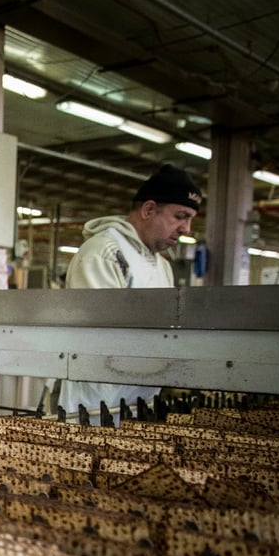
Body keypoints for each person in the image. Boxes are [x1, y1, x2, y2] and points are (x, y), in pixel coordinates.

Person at [58, 164, 202, 420]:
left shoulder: (162, 265)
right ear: (148, 209)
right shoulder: (105, 253)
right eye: (180, 216)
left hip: (139, 404)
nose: (186, 229)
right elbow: (99, 340)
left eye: (190, 219)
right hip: (95, 407)